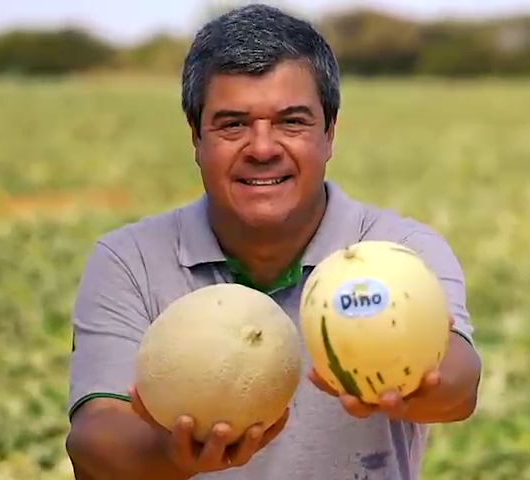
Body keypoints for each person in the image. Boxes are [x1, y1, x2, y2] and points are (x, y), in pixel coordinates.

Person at [64, 4, 482, 479]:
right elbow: (93, 441)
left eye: (291, 122)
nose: (262, 149)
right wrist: (171, 453)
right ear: (196, 137)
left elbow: (460, 384)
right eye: (233, 124)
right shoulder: (129, 260)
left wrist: (418, 383)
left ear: (329, 133)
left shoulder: (400, 250)